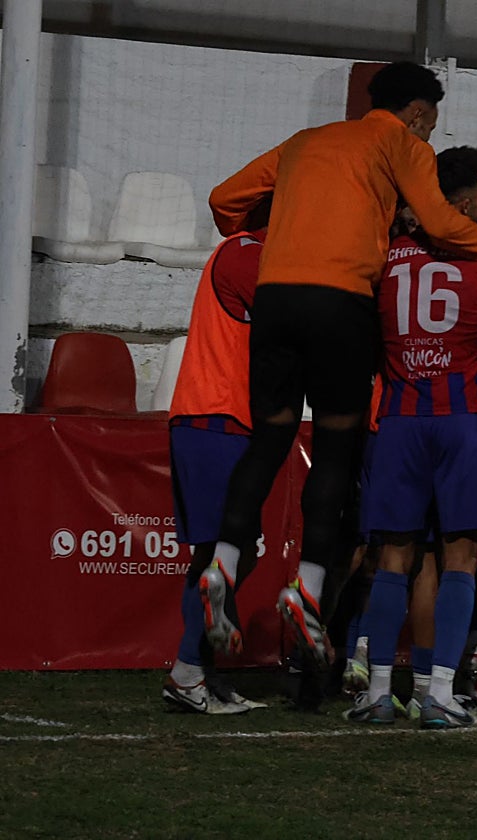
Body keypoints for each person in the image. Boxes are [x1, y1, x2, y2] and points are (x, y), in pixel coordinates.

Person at [199, 62, 477, 665]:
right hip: (340, 301)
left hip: (275, 299)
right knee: (336, 446)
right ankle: (310, 587)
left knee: (268, 440)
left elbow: (223, 200)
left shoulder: (306, 141)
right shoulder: (400, 142)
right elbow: (441, 222)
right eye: (431, 123)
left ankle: (223, 561)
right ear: (420, 114)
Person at [345, 146, 477, 728]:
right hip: (463, 419)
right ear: (465, 202)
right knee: (461, 559)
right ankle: (439, 692)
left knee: (393, 558)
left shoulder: (387, 257)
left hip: (397, 419)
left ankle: (377, 692)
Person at [162, 210, 272, 715]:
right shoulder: (247, 253)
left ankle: (194, 672)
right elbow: (285, 318)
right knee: (232, 551)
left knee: (219, 554)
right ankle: (189, 669)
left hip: (219, 418)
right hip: (217, 416)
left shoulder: (249, 252)